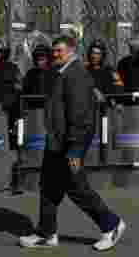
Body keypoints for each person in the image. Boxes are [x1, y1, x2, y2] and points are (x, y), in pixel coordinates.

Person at [18, 36, 127, 251]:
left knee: (76, 187)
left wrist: (75, 149)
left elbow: (81, 116)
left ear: (71, 51)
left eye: (59, 51)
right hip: (56, 142)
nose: (54, 54)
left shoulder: (76, 74)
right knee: (48, 185)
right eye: (54, 50)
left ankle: (111, 224)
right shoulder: (59, 72)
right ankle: (46, 233)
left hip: (71, 145)